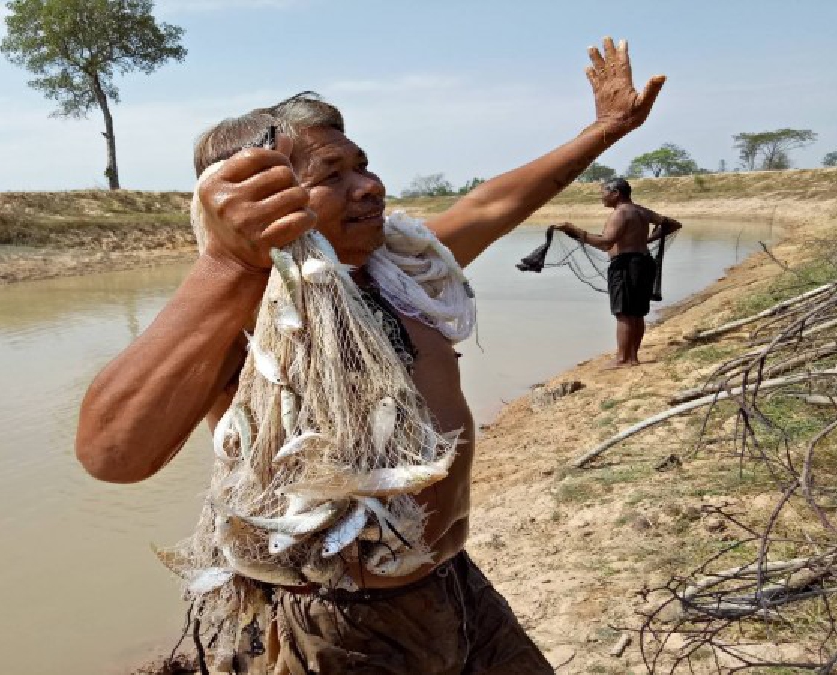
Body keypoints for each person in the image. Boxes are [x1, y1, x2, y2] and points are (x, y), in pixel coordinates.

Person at [77, 38, 665, 673]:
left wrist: (605, 129)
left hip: (452, 586)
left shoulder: (398, 267)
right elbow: (112, 455)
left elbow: (493, 203)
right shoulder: (242, 309)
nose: (369, 187)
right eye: (333, 176)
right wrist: (226, 261)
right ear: (252, 199)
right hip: (328, 622)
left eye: (363, 165)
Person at [553, 177, 681, 368]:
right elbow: (672, 225)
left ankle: (622, 359)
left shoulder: (620, 214)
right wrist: (646, 241)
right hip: (644, 263)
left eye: (604, 192)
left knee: (623, 313)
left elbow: (606, 243)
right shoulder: (641, 211)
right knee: (637, 313)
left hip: (626, 265)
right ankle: (633, 357)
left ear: (616, 193)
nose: (602, 197)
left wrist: (577, 231)